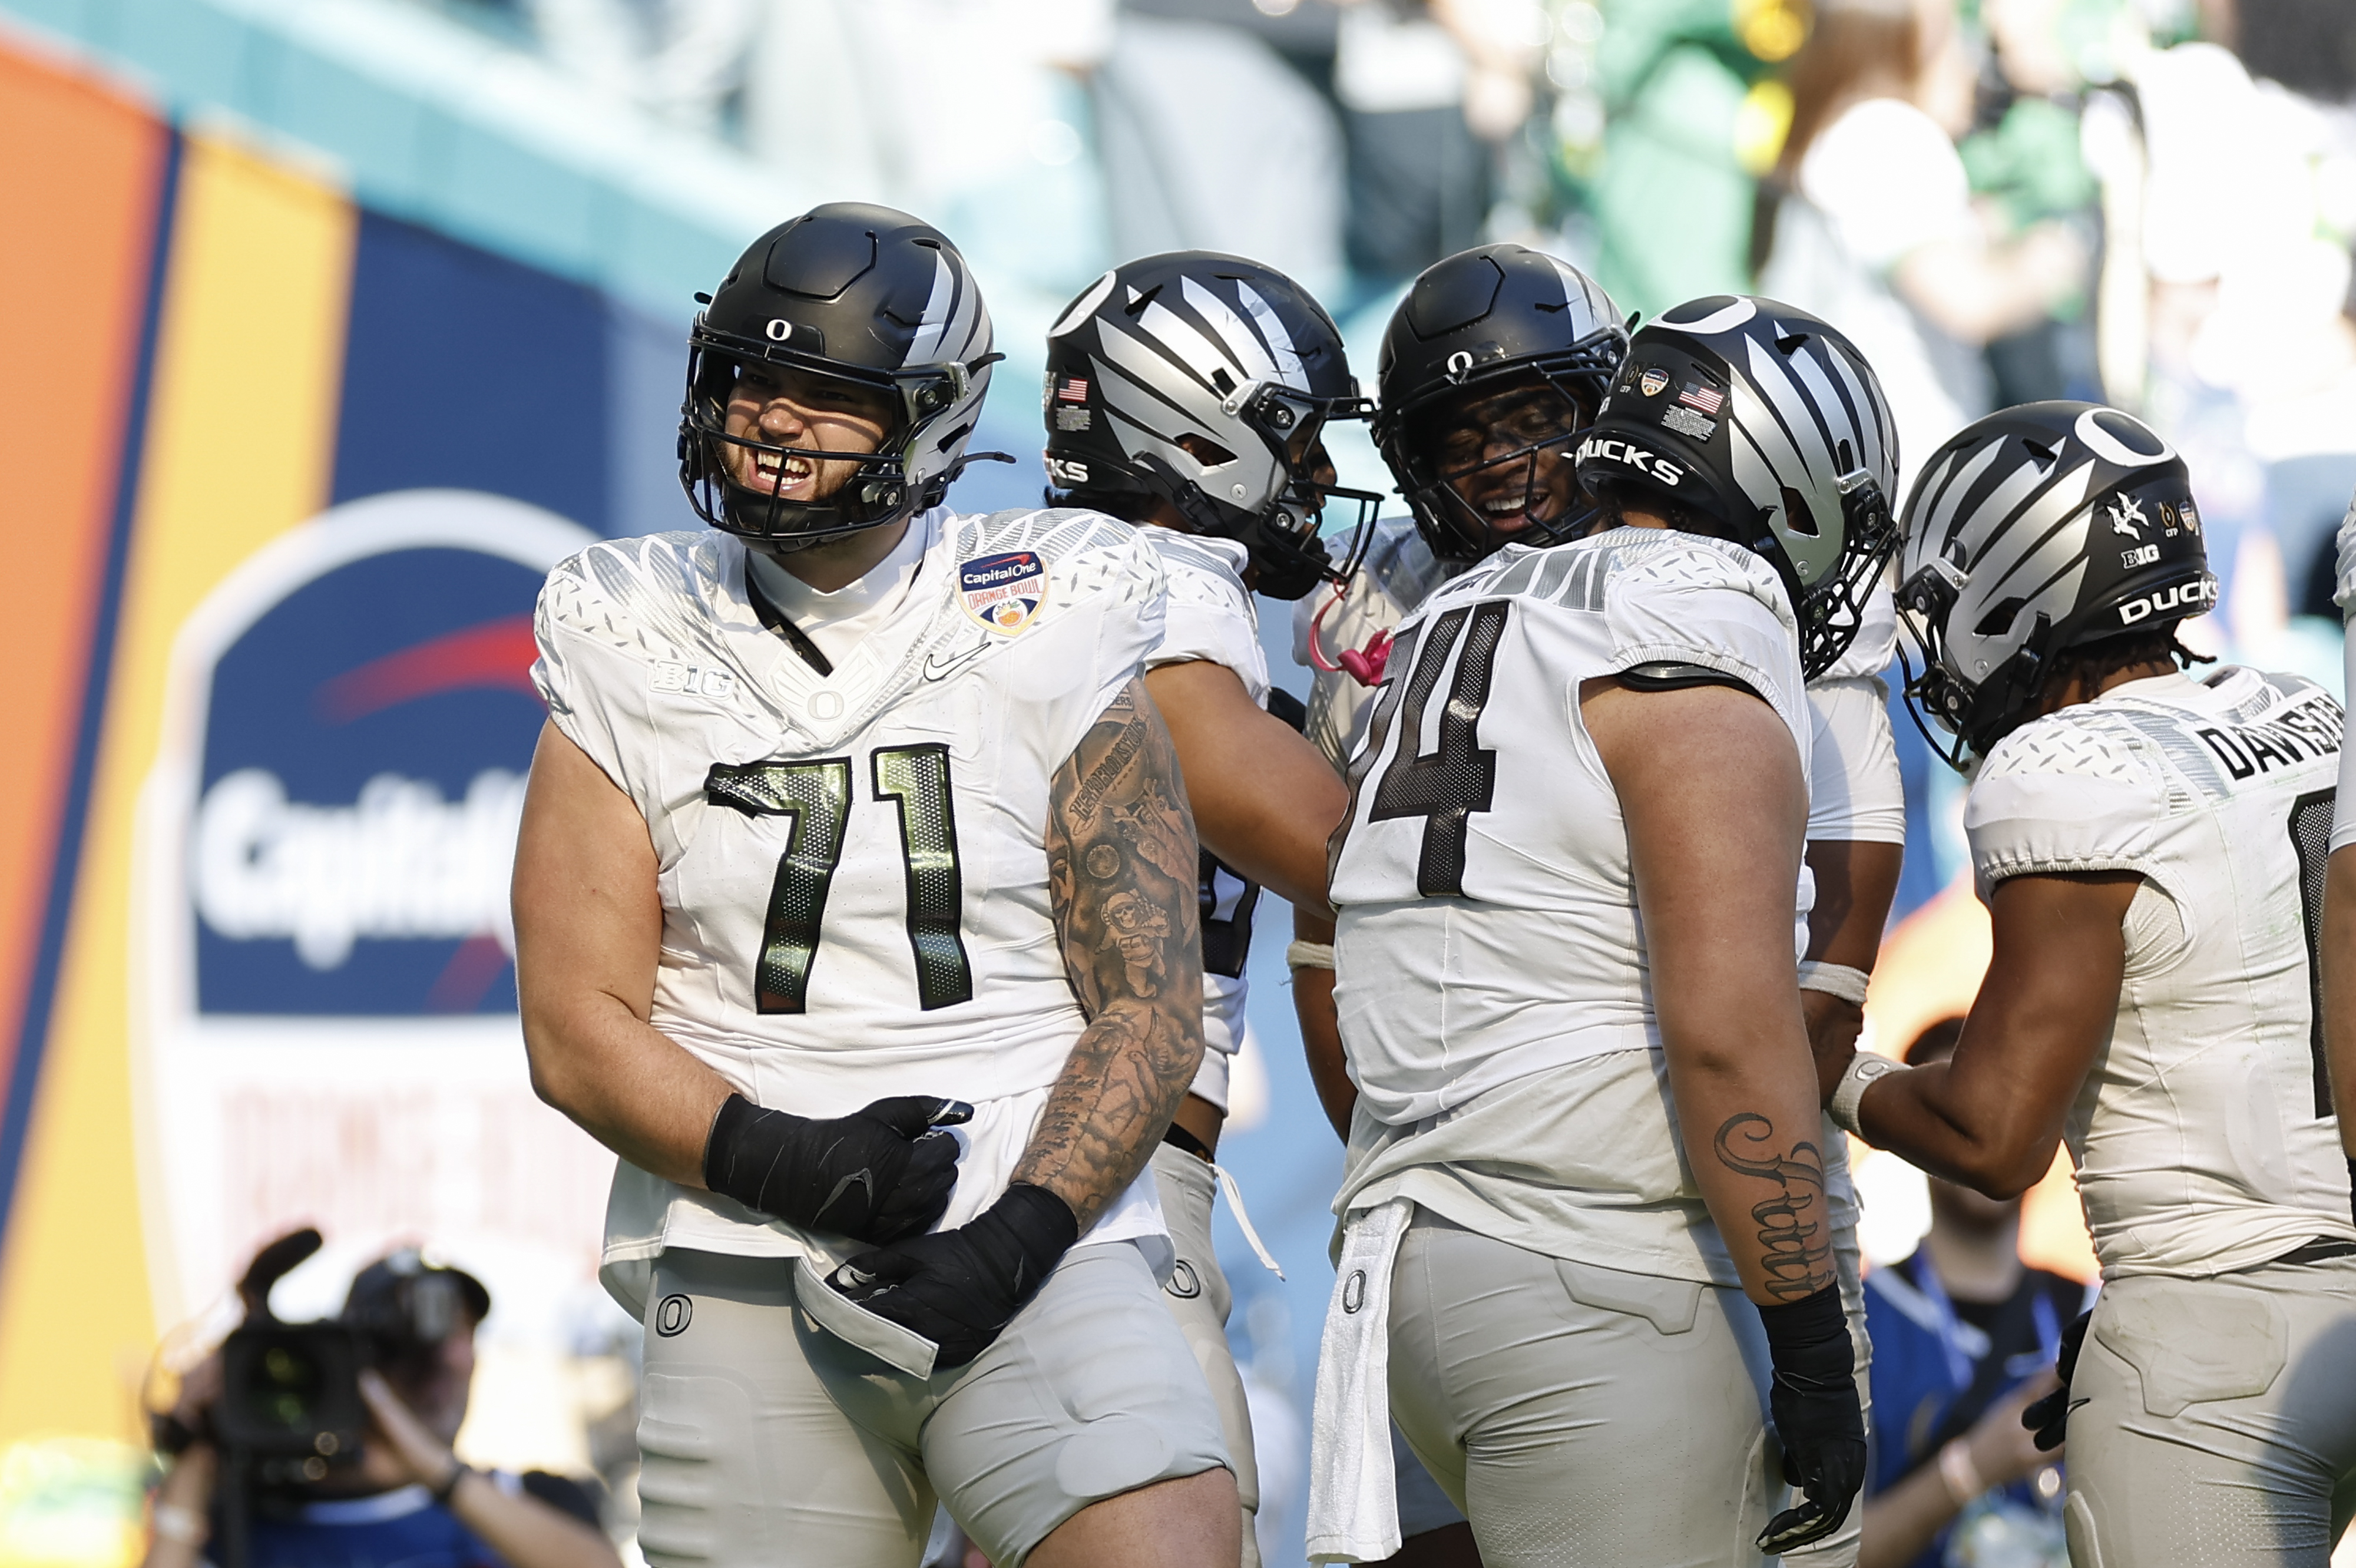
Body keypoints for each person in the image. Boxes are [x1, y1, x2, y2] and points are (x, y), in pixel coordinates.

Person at [513, 202, 1238, 1568]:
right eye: (752, 377)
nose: (774, 419)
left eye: (828, 393)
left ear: (931, 417)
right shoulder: (626, 627)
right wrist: (792, 1159)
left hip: (1044, 1236)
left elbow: (1150, 998)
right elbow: (574, 1022)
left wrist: (1020, 1233)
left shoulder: (1051, 606)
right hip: (746, 1247)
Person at [1305, 293, 1899, 1565]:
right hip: (1609, 1268)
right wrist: (1803, 1336)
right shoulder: (1700, 597)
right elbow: (1730, 1026)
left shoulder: (1444, 616)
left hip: (1412, 1273)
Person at [1834, 401, 2356, 1566]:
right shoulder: (2304, 710)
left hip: (2202, 1343)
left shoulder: (2056, 770)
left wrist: (1826, 1061)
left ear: (2018, 582)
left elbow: (1993, 1134)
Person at [1037, 247, 1371, 1567]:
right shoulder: (1161, 588)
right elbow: (1339, 847)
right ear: (1193, 425)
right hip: (1102, 1181)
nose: (1312, 482)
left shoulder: (1051, 570)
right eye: (1290, 443)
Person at [1756, 0, 2084, 500]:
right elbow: (1968, 302)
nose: (1970, 63)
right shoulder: (1887, 134)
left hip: (1846, 464)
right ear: (1899, 51)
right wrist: (2049, 262)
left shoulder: (1852, 129)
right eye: (1951, 40)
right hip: (1900, 471)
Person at [143, 1245, 618, 1568]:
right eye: (405, 1347)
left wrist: (435, 1472)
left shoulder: (533, 1500)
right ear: (346, 1362)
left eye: (457, 1332)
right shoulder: (253, 1523)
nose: (441, 1361)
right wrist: (201, 1449)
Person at [1855, 1020, 2086, 1568]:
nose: (1984, 1128)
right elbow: (1818, 1559)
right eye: (1955, 1109)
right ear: (1909, 1136)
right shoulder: (1854, 1324)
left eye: (2010, 1100)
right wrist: (1969, 1471)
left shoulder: (2100, 1317)